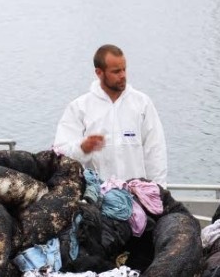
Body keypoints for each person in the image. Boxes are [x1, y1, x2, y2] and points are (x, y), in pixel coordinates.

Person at [53, 44, 168, 185]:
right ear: (99, 72)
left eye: (124, 69)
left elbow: (156, 153)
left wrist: (159, 193)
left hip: (136, 197)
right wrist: (82, 148)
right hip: (96, 199)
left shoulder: (142, 104)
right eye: (116, 71)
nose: (123, 76)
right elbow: (60, 154)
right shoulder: (79, 108)